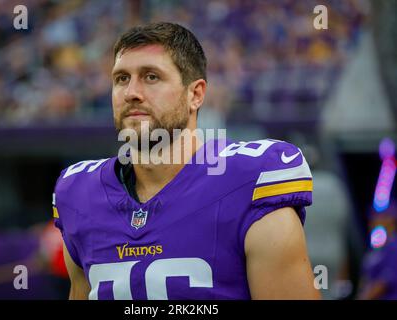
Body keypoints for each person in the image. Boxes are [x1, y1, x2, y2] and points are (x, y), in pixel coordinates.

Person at [52, 22, 320, 300]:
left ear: (195, 94)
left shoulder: (250, 182)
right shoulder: (78, 193)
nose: (131, 91)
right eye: (121, 78)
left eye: (151, 76)